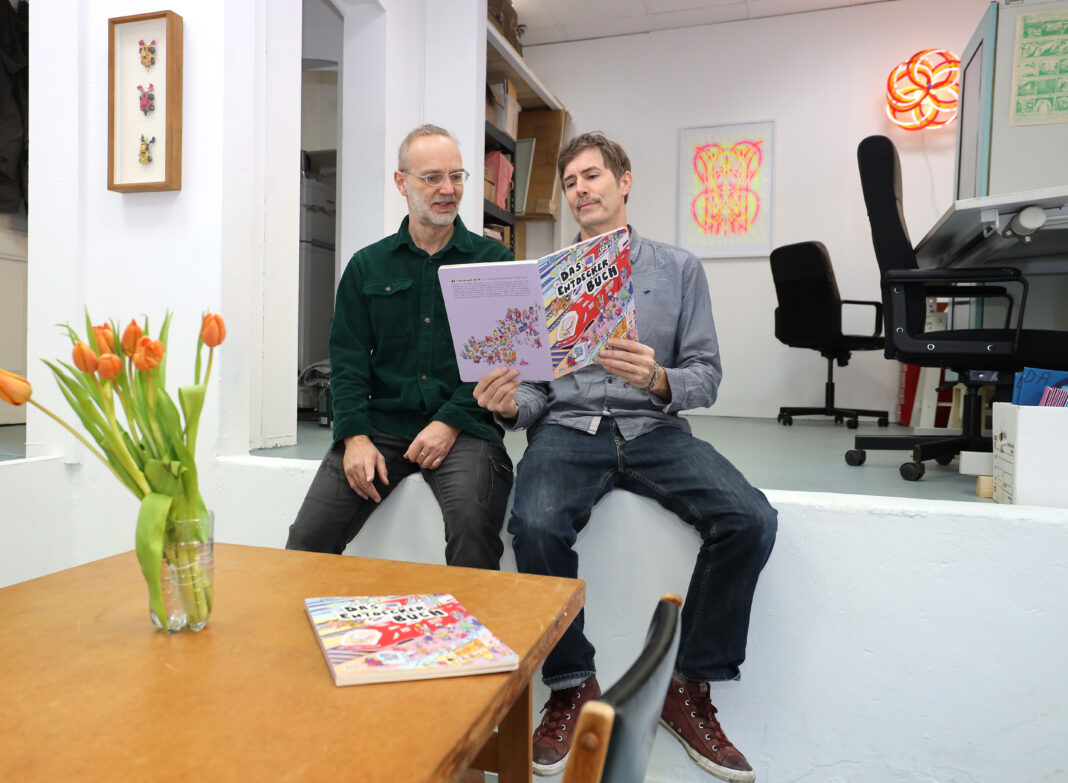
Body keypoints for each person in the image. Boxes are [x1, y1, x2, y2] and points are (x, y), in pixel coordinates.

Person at [473, 132, 777, 782]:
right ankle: (572, 681)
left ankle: (686, 686)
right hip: (566, 427)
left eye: (592, 176)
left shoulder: (678, 268)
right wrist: (506, 404)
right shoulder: (543, 280)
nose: (580, 190)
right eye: (571, 183)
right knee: (534, 523)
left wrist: (659, 379)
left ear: (624, 180)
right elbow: (532, 393)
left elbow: (706, 375)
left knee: (751, 518)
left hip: (652, 427)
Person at [287, 124, 514, 571]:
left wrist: (448, 422)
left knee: (474, 533)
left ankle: (470, 641)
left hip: (466, 428)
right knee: (307, 541)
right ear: (401, 182)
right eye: (431, 177)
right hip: (381, 427)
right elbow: (348, 362)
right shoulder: (367, 265)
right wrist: (353, 438)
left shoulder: (495, 263)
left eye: (457, 176)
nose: (447, 189)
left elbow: (499, 364)